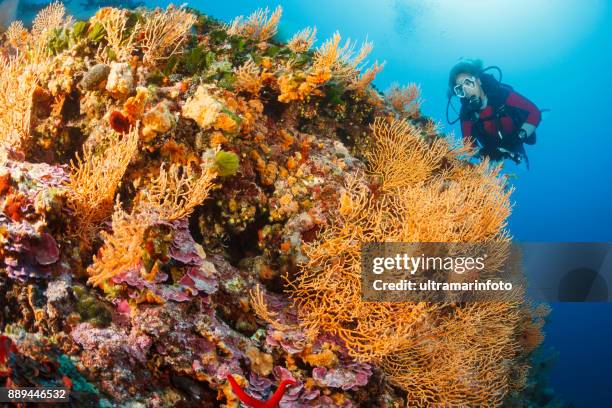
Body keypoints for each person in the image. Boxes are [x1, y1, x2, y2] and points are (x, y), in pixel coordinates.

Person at [447, 59, 542, 167]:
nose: (467, 91)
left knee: (531, 140)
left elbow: (534, 112)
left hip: (517, 135)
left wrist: (518, 136)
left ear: (478, 81)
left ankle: (521, 154)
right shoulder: (466, 112)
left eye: (468, 82)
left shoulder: (500, 94)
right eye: (460, 89)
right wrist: (487, 154)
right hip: (493, 146)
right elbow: (468, 146)